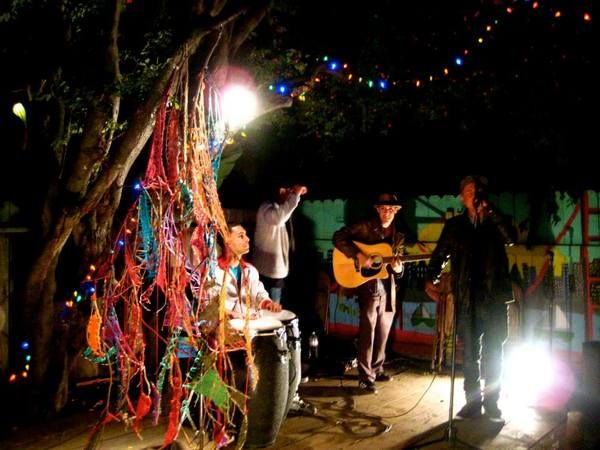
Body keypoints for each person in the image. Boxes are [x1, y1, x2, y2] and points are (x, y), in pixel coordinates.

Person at [424, 175, 516, 421]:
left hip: (494, 299)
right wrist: (430, 278)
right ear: (462, 197)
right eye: (468, 191)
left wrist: (490, 212)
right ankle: (472, 402)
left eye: (478, 190)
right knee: (469, 354)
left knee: (494, 353)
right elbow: (440, 253)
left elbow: (511, 238)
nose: (474, 194)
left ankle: (492, 403)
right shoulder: (455, 226)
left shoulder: (496, 221)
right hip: (467, 298)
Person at [215, 223, 316, 415]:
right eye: (241, 236)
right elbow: (212, 303)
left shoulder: (249, 270)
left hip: (248, 328)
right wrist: (239, 315)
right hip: (226, 331)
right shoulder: (215, 271)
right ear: (227, 241)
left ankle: (284, 396)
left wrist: (267, 303)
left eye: (246, 235)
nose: (247, 239)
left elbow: (258, 293)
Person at [332, 193, 405, 394]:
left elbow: (398, 265)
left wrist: (399, 269)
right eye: (383, 209)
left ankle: (377, 368)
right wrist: (358, 254)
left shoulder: (398, 235)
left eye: (391, 209)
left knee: (384, 330)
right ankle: (365, 377)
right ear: (377, 210)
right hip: (369, 286)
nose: (387, 213)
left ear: (396, 211)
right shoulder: (365, 226)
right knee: (368, 331)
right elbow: (338, 237)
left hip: (388, 286)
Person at [253, 184, 308, 303]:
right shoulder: (266, 208)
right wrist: (295, 195)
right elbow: (279, 218)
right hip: (266, 271)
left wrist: (295, 196)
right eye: (284, 190)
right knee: (264, 307)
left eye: (289, 190)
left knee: (274, 308)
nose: (288, 193)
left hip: (276, 270)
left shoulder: (280, 209)